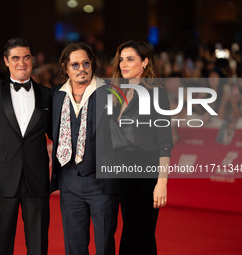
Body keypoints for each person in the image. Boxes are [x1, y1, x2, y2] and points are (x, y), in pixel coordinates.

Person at [0, 37, 51, 255]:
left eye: (26, 57)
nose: (22, 63)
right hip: (2, 180)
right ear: (6, 61)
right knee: (1, 244)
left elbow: (57, 135)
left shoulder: (47, 95)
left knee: (38, 246)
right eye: (15, 58)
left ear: (32, 60)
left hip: (37, 181)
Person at [50, 42, 119, 255]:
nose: (82, 68)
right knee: (74, 246)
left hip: (102, 183)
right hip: (69, 181)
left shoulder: (111, 93)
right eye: (75, 64)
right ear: (65, 67)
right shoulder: (57, 96)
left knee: (104, 245)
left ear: (93, 65)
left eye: (86, 63)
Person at [111, 40, 173, 255]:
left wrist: (161, 182)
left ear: (145, 62)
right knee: (132, 232)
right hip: (123, 173)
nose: (123, 64)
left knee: (140, 233)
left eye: (130, 59)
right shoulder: (119, 93)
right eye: (121, 59)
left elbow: (165, 140)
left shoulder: (156, 93)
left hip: (146, 172)